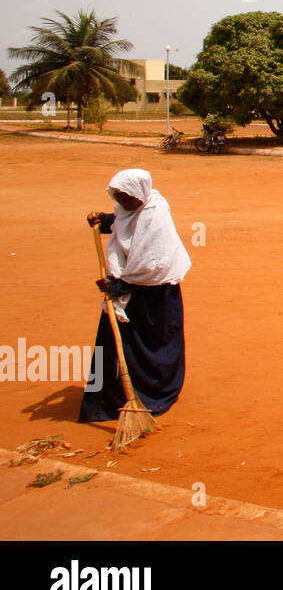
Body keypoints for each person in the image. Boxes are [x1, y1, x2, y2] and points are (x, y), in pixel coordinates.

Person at [79, 168, 192, 423]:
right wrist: (105, 220)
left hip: (155, 295)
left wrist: (120, 286)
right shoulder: (130, 209)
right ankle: (112, 397)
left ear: (139, 194)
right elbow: (125, 223)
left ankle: (154, 393)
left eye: (126, 198)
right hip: (129, 288)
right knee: (113, 341)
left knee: (153, 344)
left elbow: (153, 264)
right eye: (117, 198)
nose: (122, 203)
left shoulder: (155, 215)